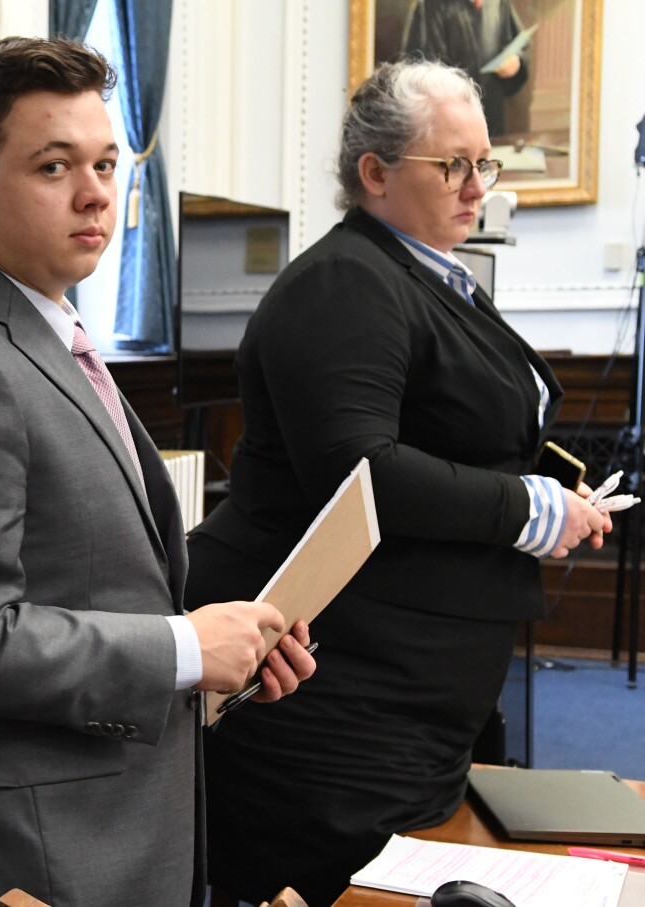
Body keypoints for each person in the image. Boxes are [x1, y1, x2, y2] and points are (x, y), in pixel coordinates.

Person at [0, 35, 315, 907]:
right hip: (25, 858)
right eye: (55, 166)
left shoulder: (49, 335)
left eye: (104, 162)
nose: (98, 191)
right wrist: (182, 647)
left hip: (113, 822)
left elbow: (97, 584)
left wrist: (226, 655)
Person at [184, 59, 610, 907]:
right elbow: (360, 467)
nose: (475, 185)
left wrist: (553, 493)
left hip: (414, 691)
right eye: (451, 164)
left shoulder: (427, 272)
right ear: (374, 173)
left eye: (485, 162)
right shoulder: (346, 280)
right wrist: (530, 507)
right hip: (341, 696)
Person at [402, 0, 529, 138]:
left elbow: (513, 42)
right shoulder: (430, 4)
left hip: (492, 108)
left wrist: (515, 61)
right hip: (449, 113)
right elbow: (421, 68)